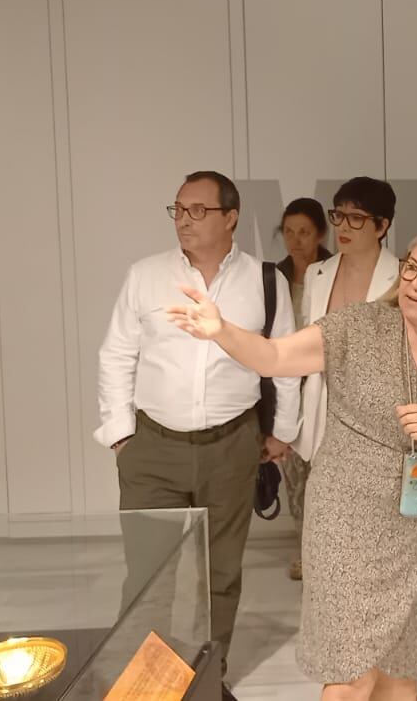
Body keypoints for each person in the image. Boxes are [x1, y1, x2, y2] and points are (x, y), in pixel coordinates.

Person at [166, 228, 417, 701]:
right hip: (347, 521)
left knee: (402, 675)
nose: (415, 283)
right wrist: (222, 330)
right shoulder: (357, 327)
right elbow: (274, 357)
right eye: (411, 268)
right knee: (349, 674)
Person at [95, 171, 299, 697]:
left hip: (232, 444)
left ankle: (210, 673)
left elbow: (283, 360)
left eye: (197, 210)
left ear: (231, 217)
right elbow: (116, 353)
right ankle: (147, 681)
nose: (184, 220)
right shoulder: (146, 275)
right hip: (153, 446)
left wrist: (282, 431)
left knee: (220, 572)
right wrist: (120, 433)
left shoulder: (264, 281)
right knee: (149, 573)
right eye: (178, 209)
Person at [288, 178, 402, 581]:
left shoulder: (402, 276)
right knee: (325, 522)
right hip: (324, 407)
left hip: (380, 418)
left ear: (382, 225)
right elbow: (306, 344)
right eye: (339, 215)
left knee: (376, 527)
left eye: (357, 218)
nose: (344, 226)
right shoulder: (318, 273)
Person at [276, 197, 334, 581]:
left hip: (325, 384)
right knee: (295, 477)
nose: (296, 241)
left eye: (304, 232)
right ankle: (304, 551)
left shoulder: (334, 272)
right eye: (289, 232)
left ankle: (328, 552)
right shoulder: (274, 277)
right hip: (286, 387)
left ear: (320, 234)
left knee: (326, 475)